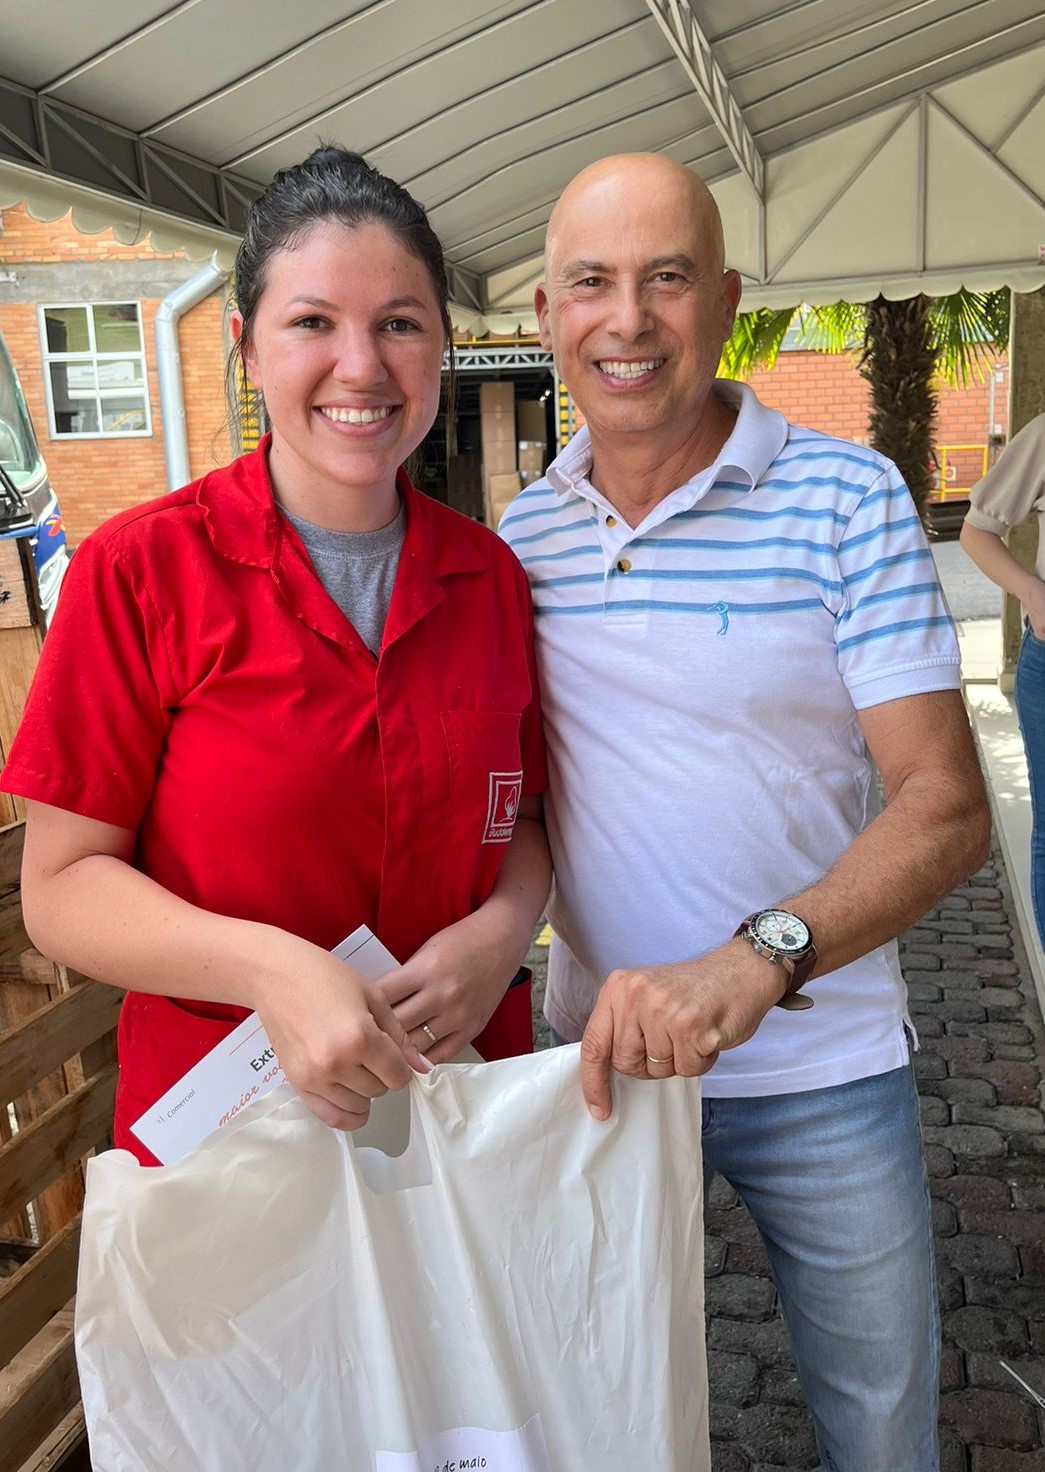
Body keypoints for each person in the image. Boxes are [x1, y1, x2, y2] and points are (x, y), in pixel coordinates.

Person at [499, 153, 991, 1471]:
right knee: (597, 1428)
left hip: (823, 1073)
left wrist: (758, 958)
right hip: (600, 1065)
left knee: (880, 1432)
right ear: (545, 315)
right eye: (591, 283)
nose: (627, 318)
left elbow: (946, 804)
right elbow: (513, 805)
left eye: (666, 278)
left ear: (723, 304)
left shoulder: (848, 500)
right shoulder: (520, 540)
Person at [4, 147, 550, 1164]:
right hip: (231, 1135)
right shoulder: (140, 572)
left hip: (458, 1103)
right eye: (312, 322)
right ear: (247, 348)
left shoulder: (490, 579)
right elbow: (63, 886)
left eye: (399, 323)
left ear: (441, 345)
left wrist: (502, 930)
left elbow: (519, 819)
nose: (362, 365)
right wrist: (268, 968)